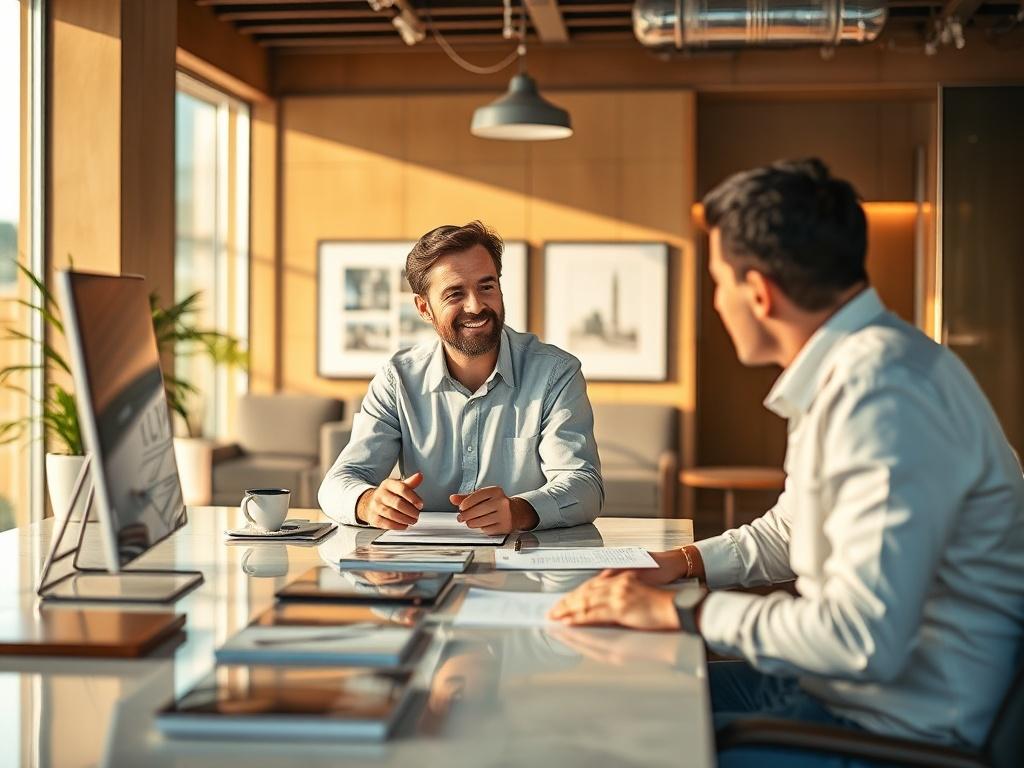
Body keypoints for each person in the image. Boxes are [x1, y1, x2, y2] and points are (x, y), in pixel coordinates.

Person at [551, 159, 1024, 760]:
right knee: (602, 699)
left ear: (758, 293)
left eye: (718, 281)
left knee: (601, 744)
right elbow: (793, 527)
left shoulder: (879, 393)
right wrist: (679, 564)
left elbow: (860, 638)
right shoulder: (869, 366)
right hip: (840, 694)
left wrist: (681, 609)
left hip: (889, 732)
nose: (718, 301)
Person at [319, 220, 604, 534]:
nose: (476, 305)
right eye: (455, 293)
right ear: (424, 308)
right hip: (421, 569)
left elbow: (584, 487)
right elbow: (337, 483)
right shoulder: (397, 379)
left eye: (486, 286)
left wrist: (519, 511)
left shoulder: (555, 373)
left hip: (523, 565)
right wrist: (368, 502)